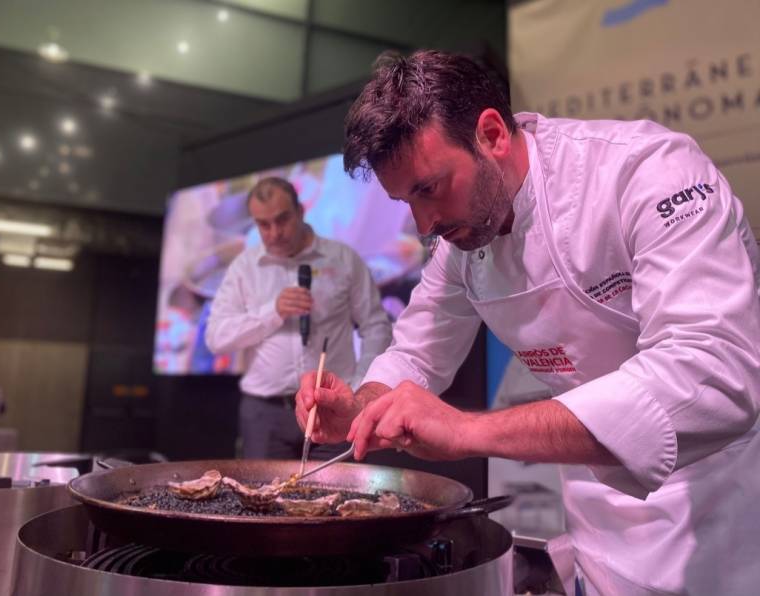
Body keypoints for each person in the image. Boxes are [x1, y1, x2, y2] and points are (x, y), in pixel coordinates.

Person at [295, 50, 760, 595]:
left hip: (722, 508)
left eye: (429, 188)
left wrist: (469, 431)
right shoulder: (463, 241)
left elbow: (713, 374)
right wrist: (358, 407)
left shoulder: (647, 171)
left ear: (491, 133)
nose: (425, 225)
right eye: (406, 202)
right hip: (598, 514)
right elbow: (417, 353)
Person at [206, 176, 391, 459]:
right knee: (264, 502)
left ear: (301, 211)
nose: (274, 232)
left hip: (332, 409)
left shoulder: (342, 258)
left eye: (282, 220)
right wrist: (273, 312)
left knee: (337, 499)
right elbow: (216, 338)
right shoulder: (245, 267)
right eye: (263, 225)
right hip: (265, 415)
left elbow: (376, 327)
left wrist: (359, 387)